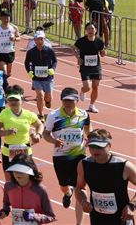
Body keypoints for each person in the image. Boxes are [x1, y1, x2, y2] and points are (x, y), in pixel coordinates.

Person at [43, 87, 90, 225]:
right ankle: (67, 193)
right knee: (64, 185)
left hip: (79, 156)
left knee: (80, 189)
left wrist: (90, 138)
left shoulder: (83, 114)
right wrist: (53, 141)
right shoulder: (53, 116)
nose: (68, 103)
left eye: (71, 100)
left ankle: (78, 223)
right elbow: (46, 134)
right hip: (61, 157)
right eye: (65, 100)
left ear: (77, 100)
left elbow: (88, 129)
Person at [75, 129, 136, 225]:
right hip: (97, 218)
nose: (95, 150)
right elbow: (79, 188)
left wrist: (132, 206)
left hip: (122, 219)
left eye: (99, 147)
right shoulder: (83, 165)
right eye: (92, 146)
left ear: (109, 146)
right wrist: (83, 201)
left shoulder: (124, 166)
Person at [0, 85, 44, 180]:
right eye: (10, 100)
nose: (13, 102)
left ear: (21, 100)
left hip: (26, 151)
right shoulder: (3, 114)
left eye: (16, 100)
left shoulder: (29, 114)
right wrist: (6, 132)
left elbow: (40, 125)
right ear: (7, 100)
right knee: (10, 182)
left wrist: (38, 135)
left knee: (28, 180)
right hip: (8, 152)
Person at [0, 154, 56, 224]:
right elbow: (6, 203)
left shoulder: (40, 190)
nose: (18, 174)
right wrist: (5, 211)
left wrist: (34, 217)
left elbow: (51, 216)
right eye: (15, 170)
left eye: (22, 171)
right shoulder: (8, 186)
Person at [73, 22, 106, 113]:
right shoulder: (81, 41)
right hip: (85, 67)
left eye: (92, 29)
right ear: (86, 30)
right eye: (88, 29)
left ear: (95, 30)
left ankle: (92, 105)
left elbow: (102, 53)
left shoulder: (99, 41)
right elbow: (73, 48)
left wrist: (103, 53)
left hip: (96, 66)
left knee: (95, 87)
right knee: (87, 87)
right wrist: (78, 58)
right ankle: (83, 91)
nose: (90, 31)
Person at [25, 30, 57, 121]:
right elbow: (27, 62)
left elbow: (55, 61)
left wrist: (52, 69)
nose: (40, 41)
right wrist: (29, 71)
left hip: (48, 77)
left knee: (48, 97)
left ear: (44, 40)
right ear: (34, 40)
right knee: (40, 96)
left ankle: (48, 101)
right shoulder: (31, 52)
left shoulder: (49, 50)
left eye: (41, 39)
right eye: (38, 39)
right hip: (36, 78)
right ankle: (41, 114)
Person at [0, 10, 19, 78]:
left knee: (8, 73)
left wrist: (14, 39)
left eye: (7, 17)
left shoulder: (14, 28)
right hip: (0, 52)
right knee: (3, 71)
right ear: (1, 18)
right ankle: (4, 85)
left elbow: (19, 38)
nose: (6, 19)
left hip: (10, 52)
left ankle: (6, 78)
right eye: (4, 17)